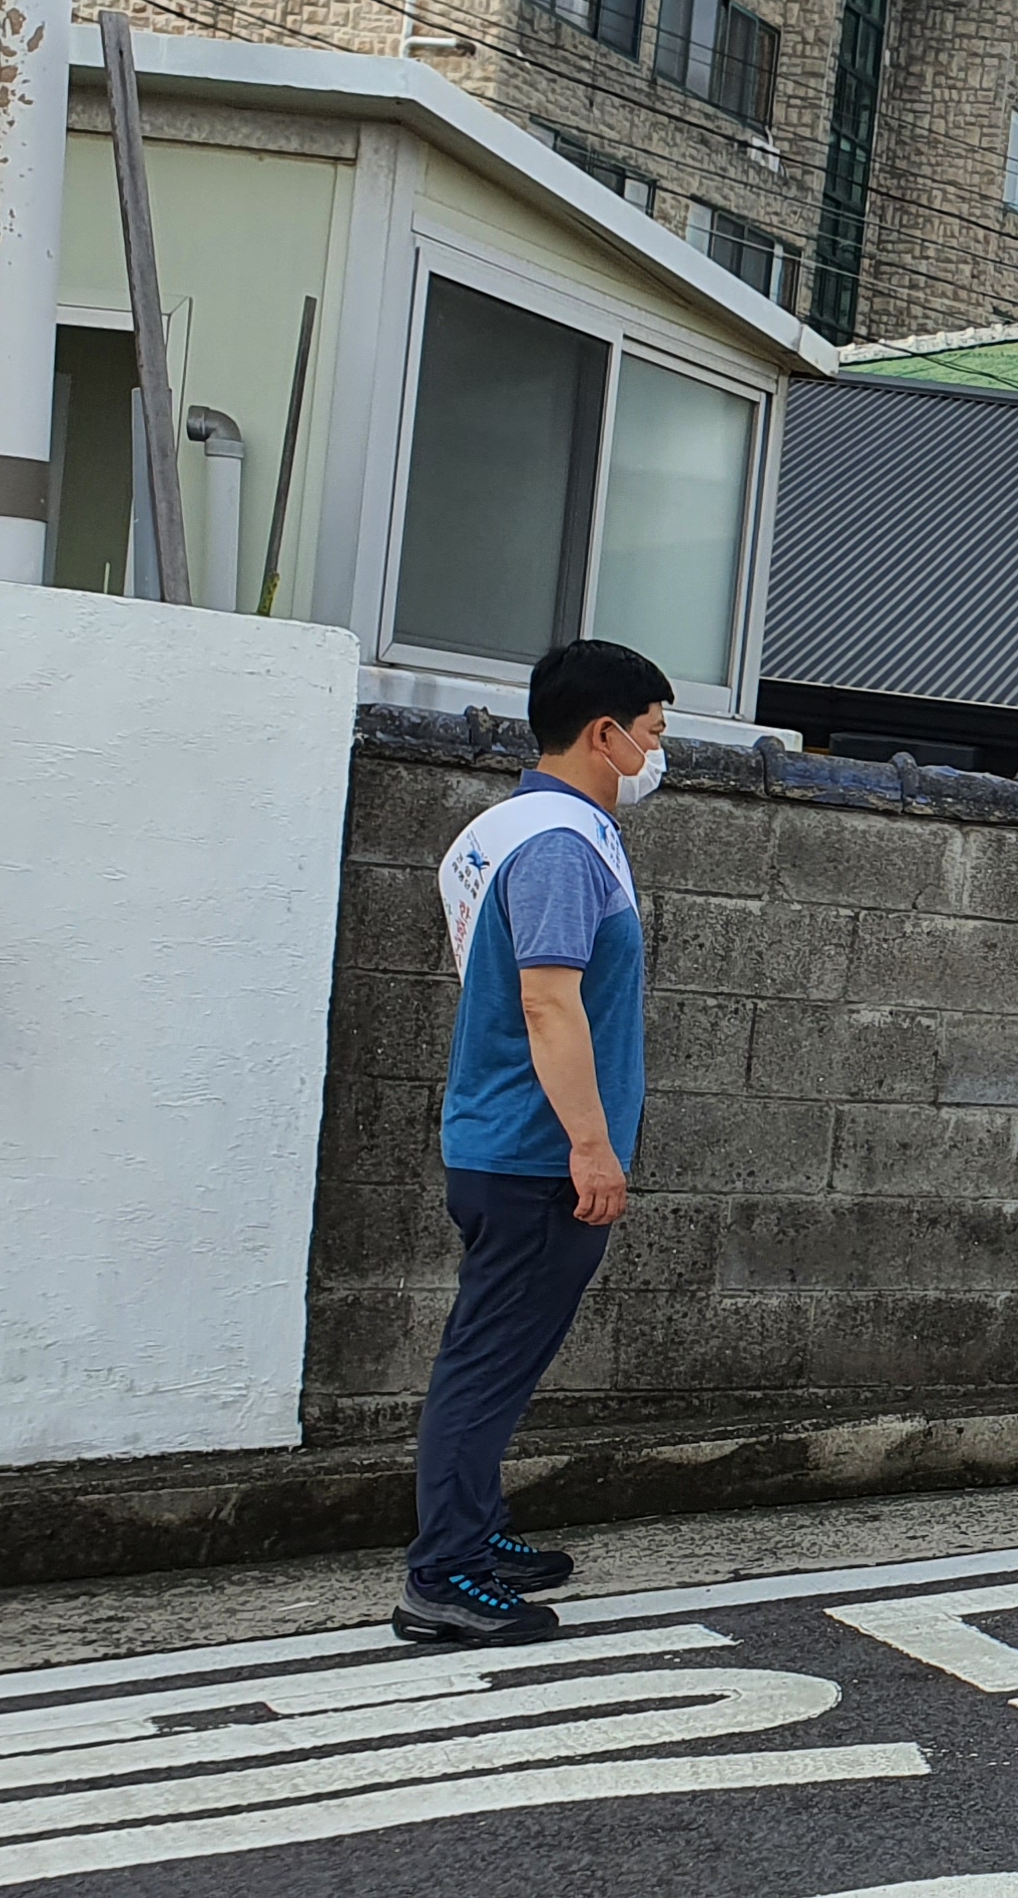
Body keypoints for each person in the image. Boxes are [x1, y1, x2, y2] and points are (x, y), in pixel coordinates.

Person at [397, 640, 672, 1646]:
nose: (655, 753)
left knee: (497, 1359)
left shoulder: (509, 830)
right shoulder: (560, 843)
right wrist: (593, 1150)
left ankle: (473, 1528)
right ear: (604, 733)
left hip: (505, 1138)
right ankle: (444, 1574)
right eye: (651, 733)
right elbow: (550, 1006)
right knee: (487, 1363)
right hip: (533, 1151)